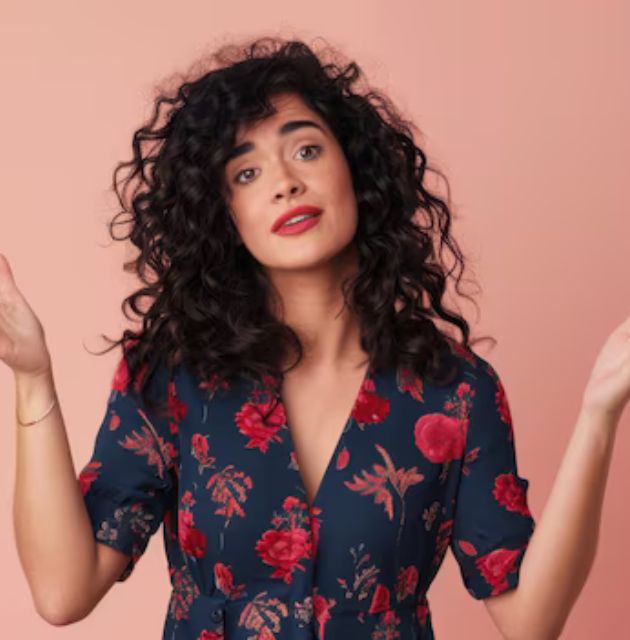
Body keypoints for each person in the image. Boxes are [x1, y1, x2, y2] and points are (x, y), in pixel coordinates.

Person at [6, 36, 629, 640]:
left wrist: (600, 412)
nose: (284, 182)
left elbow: (530, 620)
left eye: (305, 151)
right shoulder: (176, 378)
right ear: (223, 216)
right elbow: (65, 593)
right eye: (246, 173)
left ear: (355, 168)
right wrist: (32, 380)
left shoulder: (454, 390)